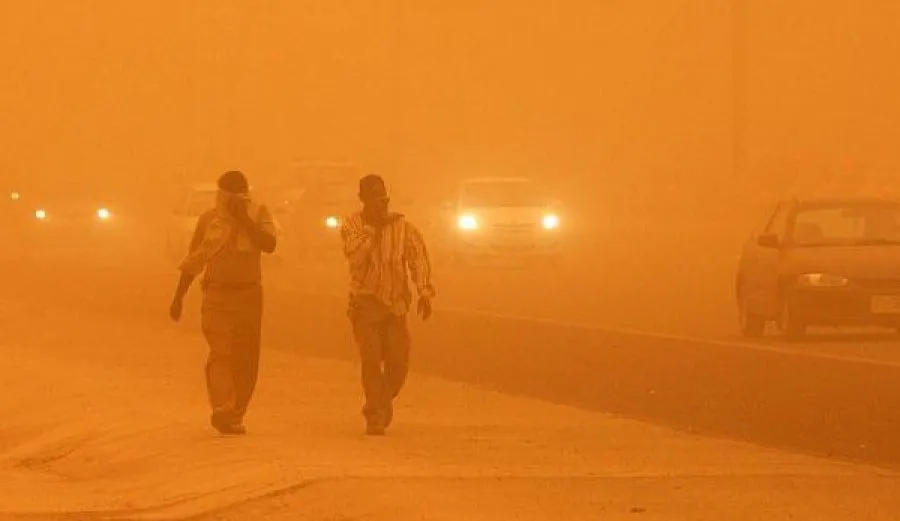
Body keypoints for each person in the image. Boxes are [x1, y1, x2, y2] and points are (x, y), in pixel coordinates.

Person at [169, 170, 277, 435]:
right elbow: (195, 258)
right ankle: (221, 407)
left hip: (249, 296)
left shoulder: (259, 215)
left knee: (247, 358)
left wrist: (244, 221)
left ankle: (235, 413)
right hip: (217, 295)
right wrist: (179, 296)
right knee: (221, 352)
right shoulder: (209, 221)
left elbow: (269, 244)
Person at [341, 174, 435, 436]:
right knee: (370, 360)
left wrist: (424, 291)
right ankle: (375, 414)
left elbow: (418, 259)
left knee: (398, 362)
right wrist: (372, 229)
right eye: (373, 200)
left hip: (396, 305)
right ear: (362, 200)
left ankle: (380, 403)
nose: (379, 205)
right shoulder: (352, 226)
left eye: (383, 199)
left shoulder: (403, 228)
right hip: (365, 303)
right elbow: (355, 258)